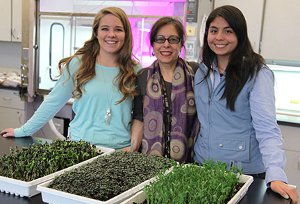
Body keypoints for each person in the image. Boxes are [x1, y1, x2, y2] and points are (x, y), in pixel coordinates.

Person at [193, 5, 298, 204]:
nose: (219, 37)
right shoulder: (202, 72)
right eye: (213, 31)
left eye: (228, 31)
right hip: (203, 165)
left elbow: (267, 129)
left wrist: (275, 174)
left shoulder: (257, 73)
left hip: (243, 173)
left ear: (240, 34)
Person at [1, 7, 140, 151]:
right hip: (81, 149)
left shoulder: (135, 71)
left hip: (120, 152)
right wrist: (23, 131)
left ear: (126, 34)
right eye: (105, 29)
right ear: (96, 33)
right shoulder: (79, 64)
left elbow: (142, 115)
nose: (111, 34)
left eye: (118, 29)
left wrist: (132, 148)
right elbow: (53, 102)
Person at [131, 17, 199, 163]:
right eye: (160, 39)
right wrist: (132, 148)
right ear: (153, 45)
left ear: (181, 44)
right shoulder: (143, 77)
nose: (166, 45)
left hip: (190, 160)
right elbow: (139, 118)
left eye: (173, 39)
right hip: (152, 161)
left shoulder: (195, 72)